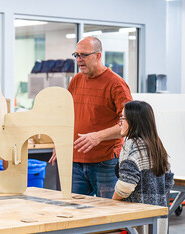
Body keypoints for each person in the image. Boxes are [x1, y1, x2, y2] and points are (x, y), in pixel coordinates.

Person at [49, 36, 132, 198]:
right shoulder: (76, 80)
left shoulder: (116, 84)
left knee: (109, 214)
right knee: (71, 211)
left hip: (105, 162)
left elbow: (129, 123)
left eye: (84, 55)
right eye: (77, 55)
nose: (79, 60)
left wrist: (98, 136)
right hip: (75, 161)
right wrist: (60, 142)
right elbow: (68, 115)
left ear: (98, 56)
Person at [113, 100, 173, 233]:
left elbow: (125, 186)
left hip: (137, 219)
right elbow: (168, 181)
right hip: (158, 218)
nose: (120, 123)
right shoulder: (157, 145)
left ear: (134, 121)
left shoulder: (131, 146)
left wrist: (112, 203)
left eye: (122, 118)